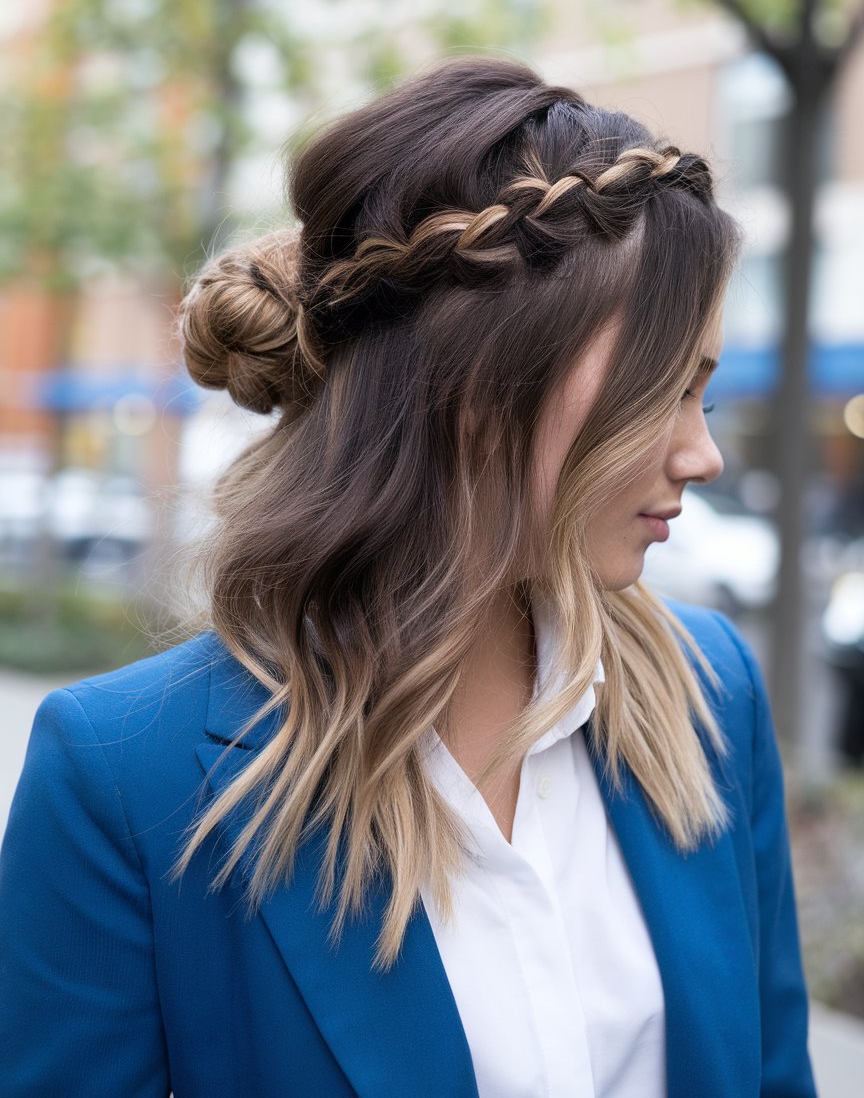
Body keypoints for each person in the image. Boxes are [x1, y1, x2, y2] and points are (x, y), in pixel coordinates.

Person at [0, 57, 817, 1098]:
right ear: (481, 388)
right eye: (667, 390)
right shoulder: (127, 782)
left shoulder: (710, 696)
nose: (702, 453)